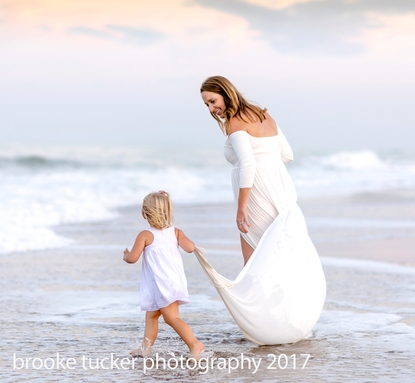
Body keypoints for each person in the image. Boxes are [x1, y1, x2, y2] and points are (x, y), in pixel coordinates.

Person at [200, 76, 297, 265]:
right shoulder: (264, 115)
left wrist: (242, 207)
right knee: (278, 258)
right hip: (281, 192)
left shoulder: (235, 122)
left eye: (213, 101)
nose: (211, 109)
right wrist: (268, 174)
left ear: (226, 94)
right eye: (207, 105)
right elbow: (287, 154)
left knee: (253, 264)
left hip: (255, 197)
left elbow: (248, 163)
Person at [123, 190, 204, 357]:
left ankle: (194, 344)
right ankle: (145, 349)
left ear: (144, 214)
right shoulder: (175, 232)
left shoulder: (145, 235)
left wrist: (125, 255)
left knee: (171, 318)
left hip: (163, 284)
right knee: (152, 316)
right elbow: (190, 248)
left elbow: (132, 258)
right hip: (167, 283)